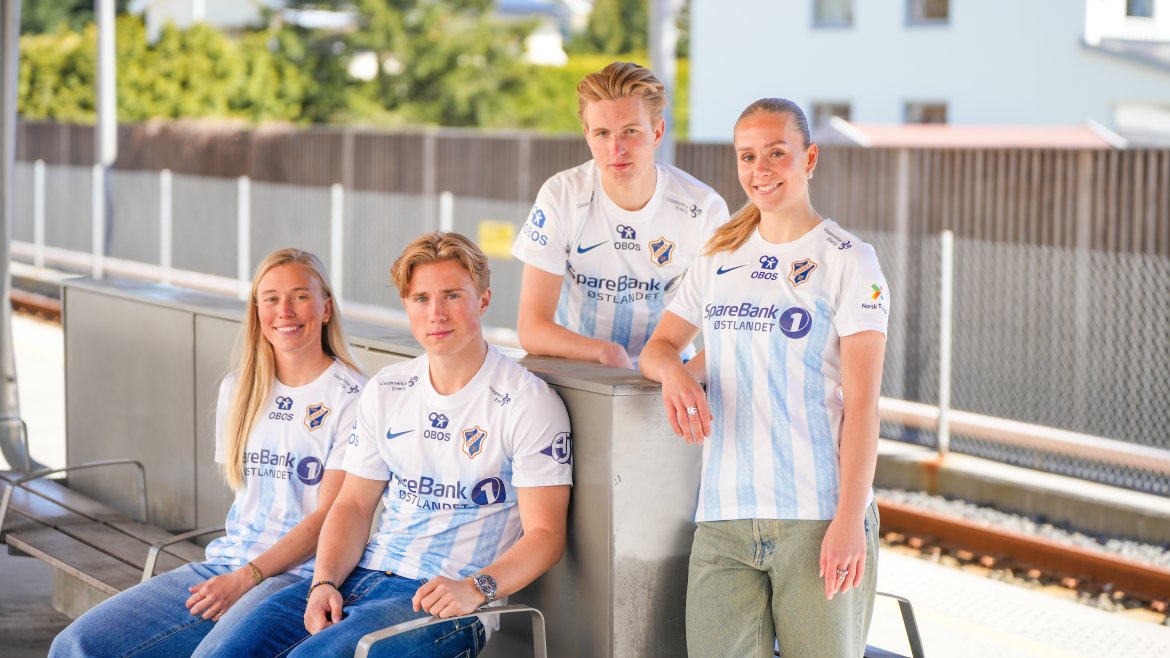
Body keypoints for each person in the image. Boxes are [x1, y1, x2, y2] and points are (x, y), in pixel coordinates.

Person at [206, 232, 573, 657]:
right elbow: (353, 505)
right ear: (407, 305)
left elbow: (546, 535)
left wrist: (477, 588)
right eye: (421, 299)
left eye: (452, 295)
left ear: (484, 300)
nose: (436, 313)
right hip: (362, 575)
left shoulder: (527, 401)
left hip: (445, 598)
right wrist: (324, 581)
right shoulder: (388, 388)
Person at [639, 98, 889, 658]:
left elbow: (864, 405)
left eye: (777, 153)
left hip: (816, 516)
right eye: (748, 156)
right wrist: (675, 376)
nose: (761, 169)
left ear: (809, 158)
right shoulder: (719, 256)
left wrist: (849, 520)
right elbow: (658, 349)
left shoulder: (850, 261)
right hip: (723, 518)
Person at [49, 249, 367, 657]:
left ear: (325, 308)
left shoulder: (353, 396)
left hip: (300, 578)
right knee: (76, 645)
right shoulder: (240, 388)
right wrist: (236, 575)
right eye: (271, 298)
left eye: (300, 296)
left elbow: (329, 517)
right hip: (227, 564)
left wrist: (247, 578)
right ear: (257, 311)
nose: (284, 311)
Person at [511, 61, 729, 369]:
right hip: (577, 371)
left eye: (630, 131)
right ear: (587, 135)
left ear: (657, 132)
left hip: (666, 374)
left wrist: (678, 376)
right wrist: (606, 353)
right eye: (602, 133)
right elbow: (532, 328)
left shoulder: (704, 209)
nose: (616, 148)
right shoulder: (561, 194)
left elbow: (728, 327)